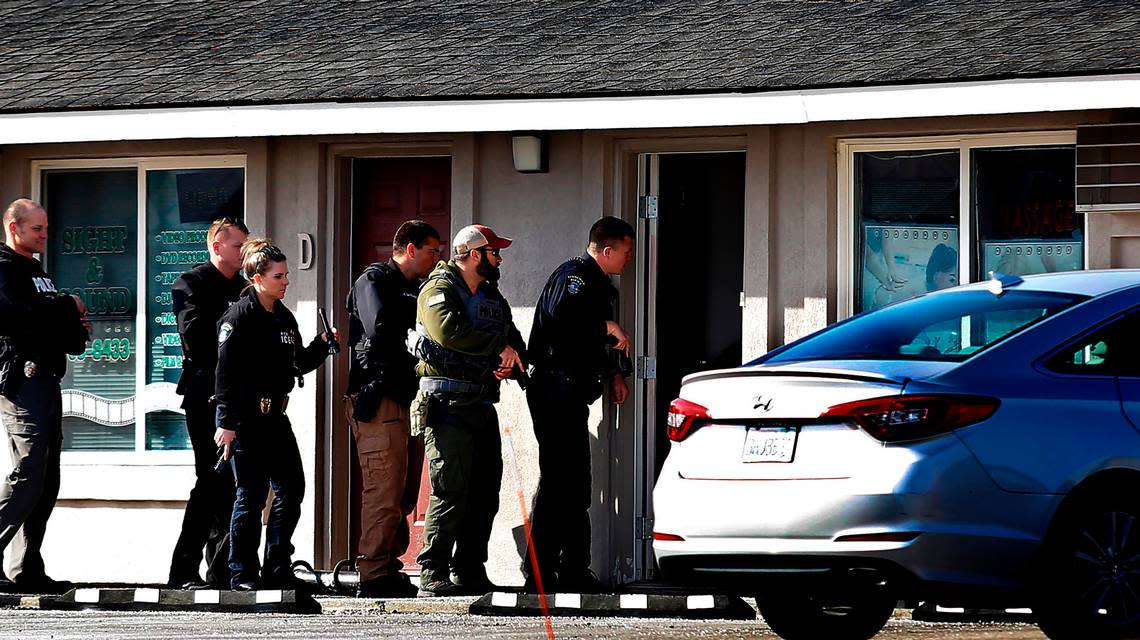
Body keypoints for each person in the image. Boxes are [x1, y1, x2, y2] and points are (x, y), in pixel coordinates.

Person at [408, 224, 526, 597]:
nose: (499, 258)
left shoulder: (491, 295)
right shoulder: (438, 290)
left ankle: (470, 569)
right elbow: (448, 333)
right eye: (494, 252)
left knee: (485, 492)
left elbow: (511, 338)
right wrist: (496, 350)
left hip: (481, 404)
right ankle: (432, 571)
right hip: (447, 405)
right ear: (475, 255)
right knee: (449, 489)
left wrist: (514, 360)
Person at [213, 239, 336, 591]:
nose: (286, 282)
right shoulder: (238, 317)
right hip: (244, 420)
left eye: (286, 275)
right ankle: (242, 573)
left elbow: (297, 362)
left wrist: (322, 347)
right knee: (250, 495)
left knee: (292, 488)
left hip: (275, 418)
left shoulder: (283, 316)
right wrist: (226, 423)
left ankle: (277, 566)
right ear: (256, 278)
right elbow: (225, 374)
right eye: (279, 276)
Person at [523, 216, 634, 593]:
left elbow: (590, 344)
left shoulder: (599, 286)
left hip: (571, 392)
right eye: (626, 251)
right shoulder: (575, 277)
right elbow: (561, 322)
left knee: (575, 482)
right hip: (554, 389)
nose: (629, 259)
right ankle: (541, 571)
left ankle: (572, 568)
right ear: (606, 250)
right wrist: (605, 327)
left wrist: (615, 373)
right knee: (560, 480)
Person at [344, 220, 441, 598]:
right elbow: (378, 329)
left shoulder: (414, 288)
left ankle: (389, 564)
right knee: (383, 487)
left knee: (401, 491)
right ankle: (372, 571)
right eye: (432, 251)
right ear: (411, 249)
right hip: (377, 396)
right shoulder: (374, 281)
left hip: (404, 397)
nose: (437, 258)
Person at [0, 199, 89, 594]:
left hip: (48, 380)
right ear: (13, 227)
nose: (45, 235)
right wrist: (64, 306)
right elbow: (17, 318)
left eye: (46, 228)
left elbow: (71, 337)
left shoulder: (39, 274)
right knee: (29, 471)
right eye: (37, 228)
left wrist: (65, 313)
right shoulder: (3, 268)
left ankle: (26, 569)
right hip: (22, 380)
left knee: (46, 480)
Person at [166, 217, 249, 590]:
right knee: (211, 482)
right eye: (237, 246)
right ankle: (183, 570)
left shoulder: (248, 288)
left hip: (239, 397)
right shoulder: (192, 283)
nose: (244, 253)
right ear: (217, 247)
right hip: (205, 396)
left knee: (236, 487)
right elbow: (196, 337)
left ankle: (222, 571)